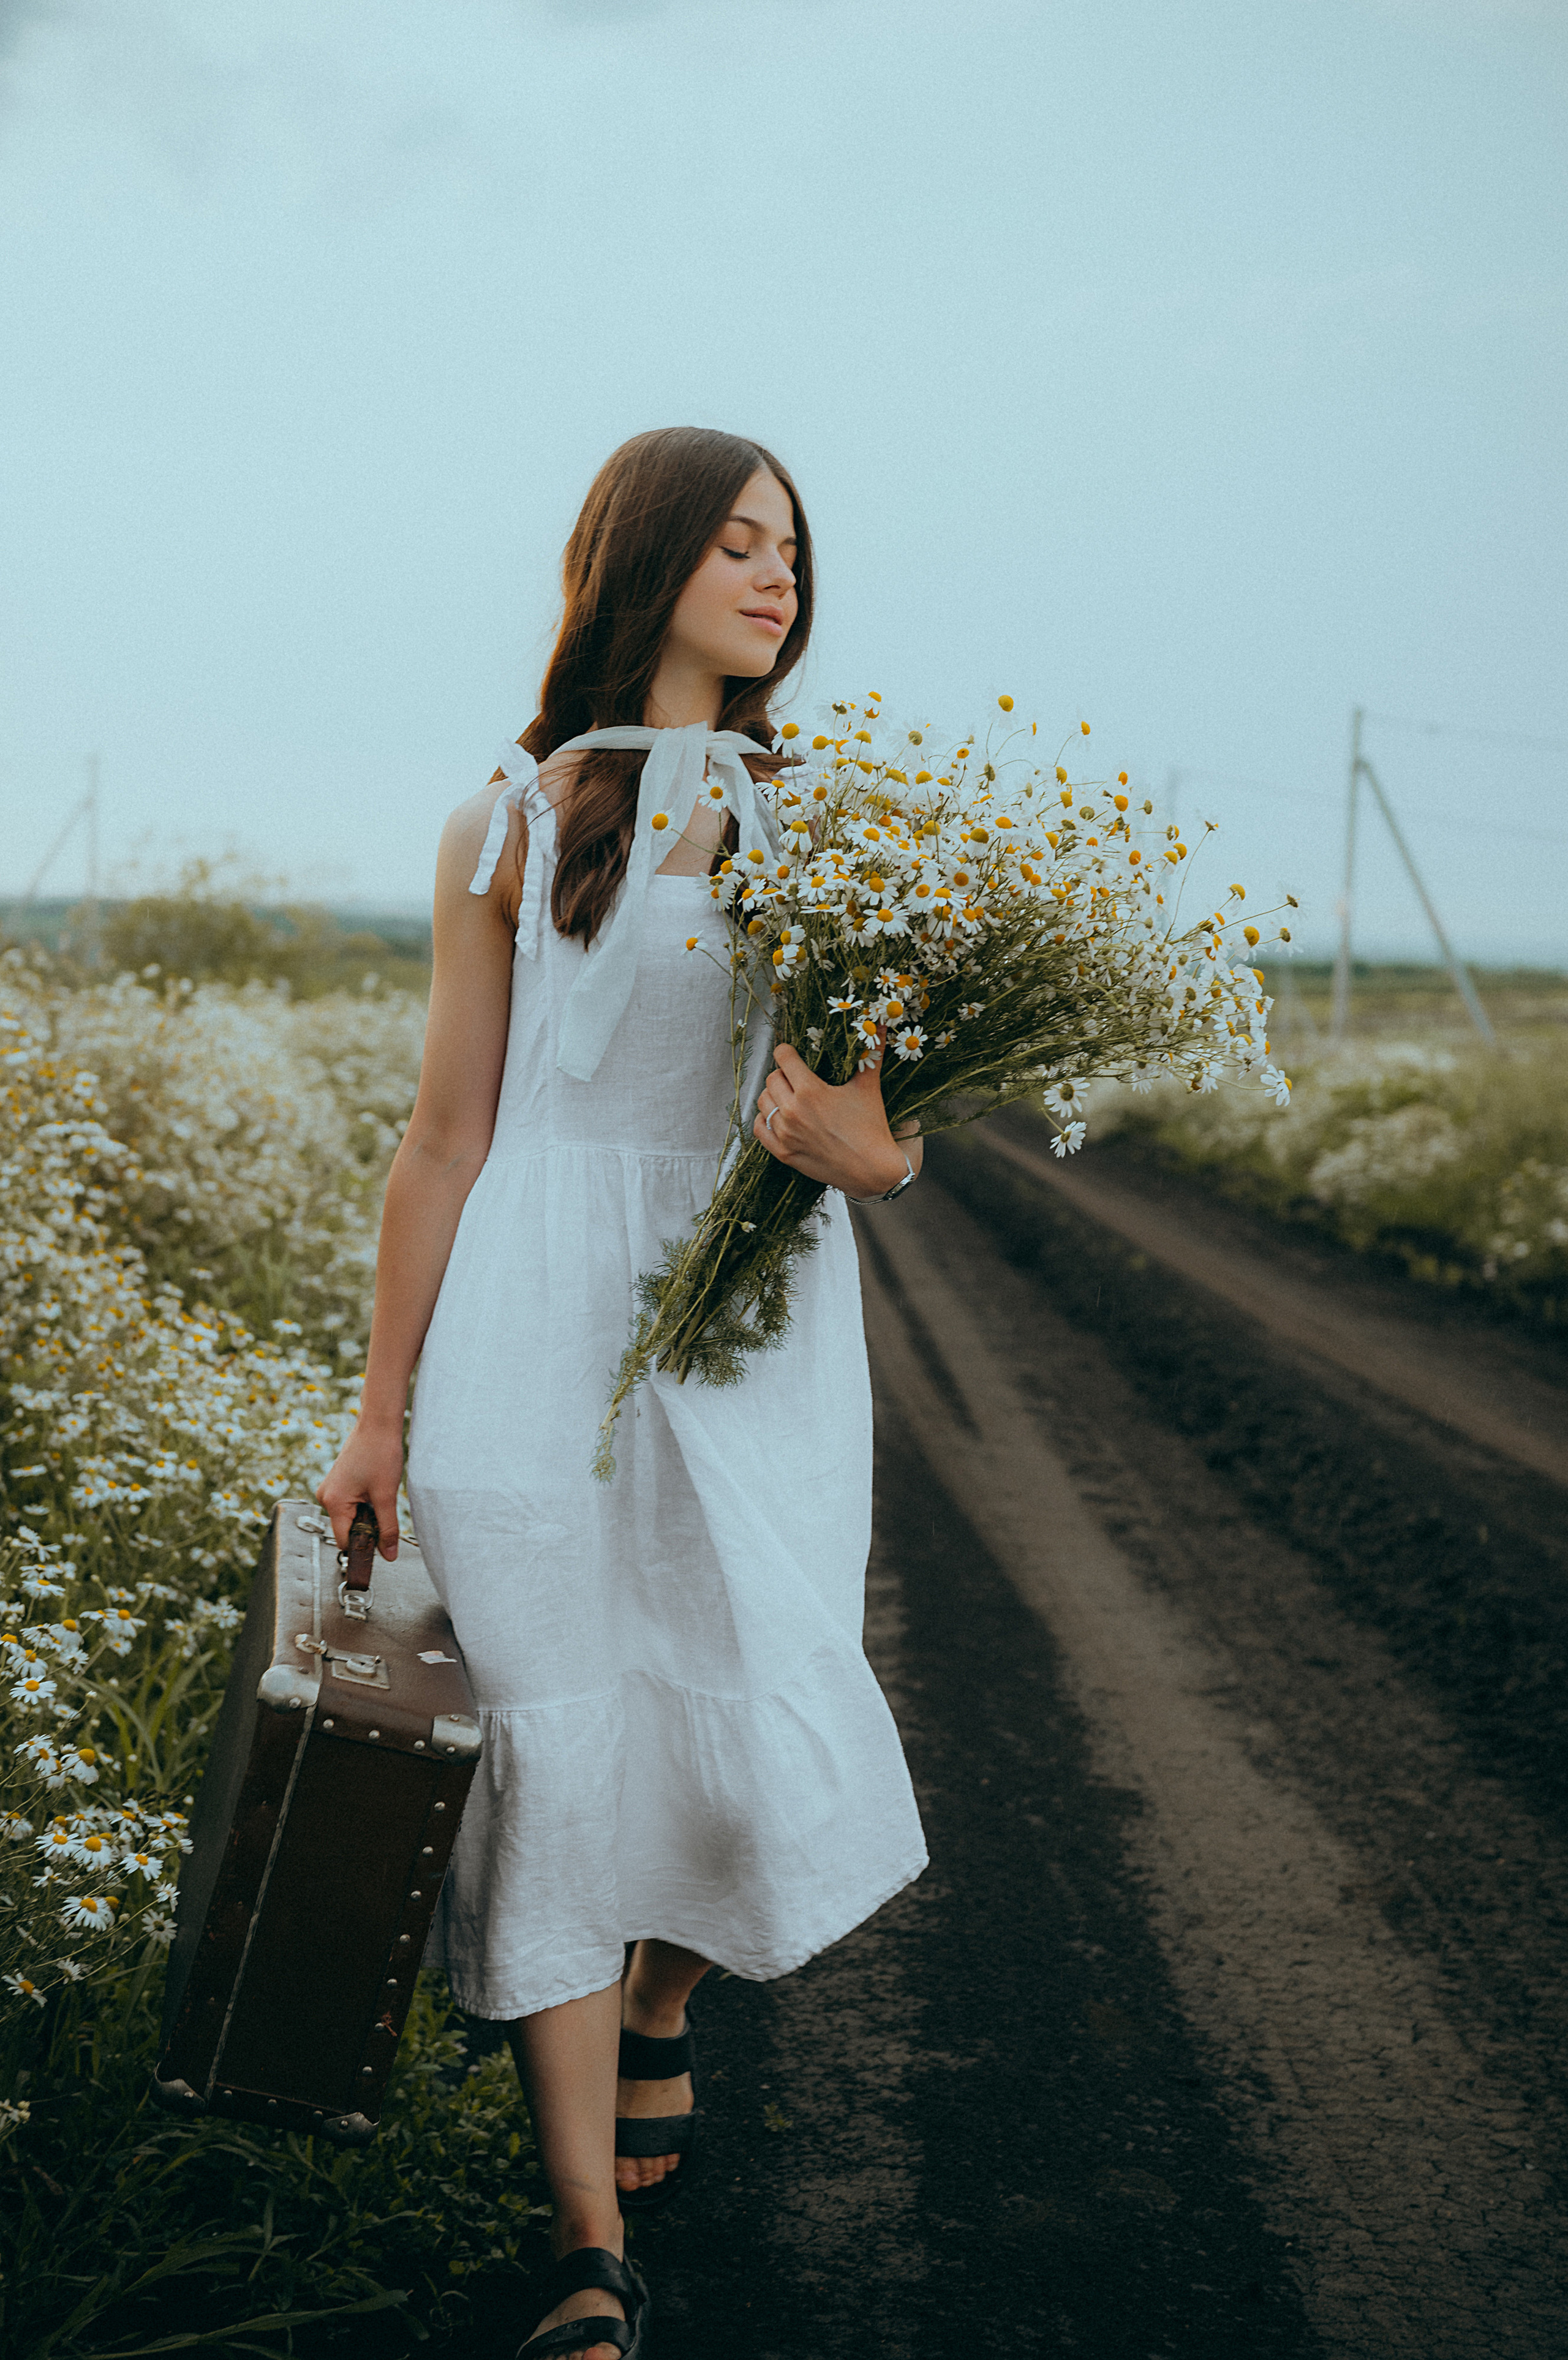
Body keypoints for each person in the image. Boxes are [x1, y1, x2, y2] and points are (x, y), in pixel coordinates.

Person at [318, 426, 928, 2359]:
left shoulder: (840, 826)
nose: (778, 581)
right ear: (643, 559)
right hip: (533, 1319)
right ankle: (584, 2235)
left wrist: (862, 1145)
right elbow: (442, 1135)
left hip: (749, 1335)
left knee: (742, 1702)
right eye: (739, 544)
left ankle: (664, 1994)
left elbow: (892, 1139)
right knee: (553, 1728)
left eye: (794, 554)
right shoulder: (510, 817)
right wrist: (377, 1413)